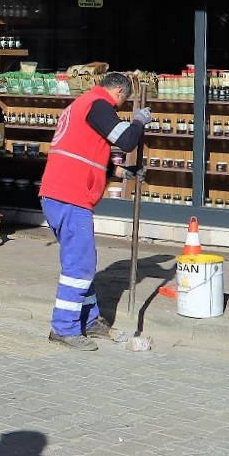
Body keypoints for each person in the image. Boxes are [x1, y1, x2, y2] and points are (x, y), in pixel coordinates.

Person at [37, 71, 149, 350]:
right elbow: (126, 140)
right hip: (70, 196)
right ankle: (64, 328)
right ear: (120, 93)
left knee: (80, 262)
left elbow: (89, 152)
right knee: (80, 266)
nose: (120, 108)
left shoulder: (82, 106)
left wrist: (124, 172)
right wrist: (138, 121)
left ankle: (88, 319)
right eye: (124, 102)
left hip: (59, 193)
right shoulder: (98, 105)